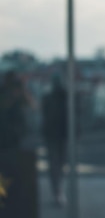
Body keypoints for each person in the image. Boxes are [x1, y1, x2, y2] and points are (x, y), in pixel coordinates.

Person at [41, 75, 68, 207]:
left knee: (57, 165)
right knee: (56, 165)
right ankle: (58, 191)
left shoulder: (64, 97)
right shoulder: (64, 97)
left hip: (59, 135)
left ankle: (58, 191)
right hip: (57, 135)